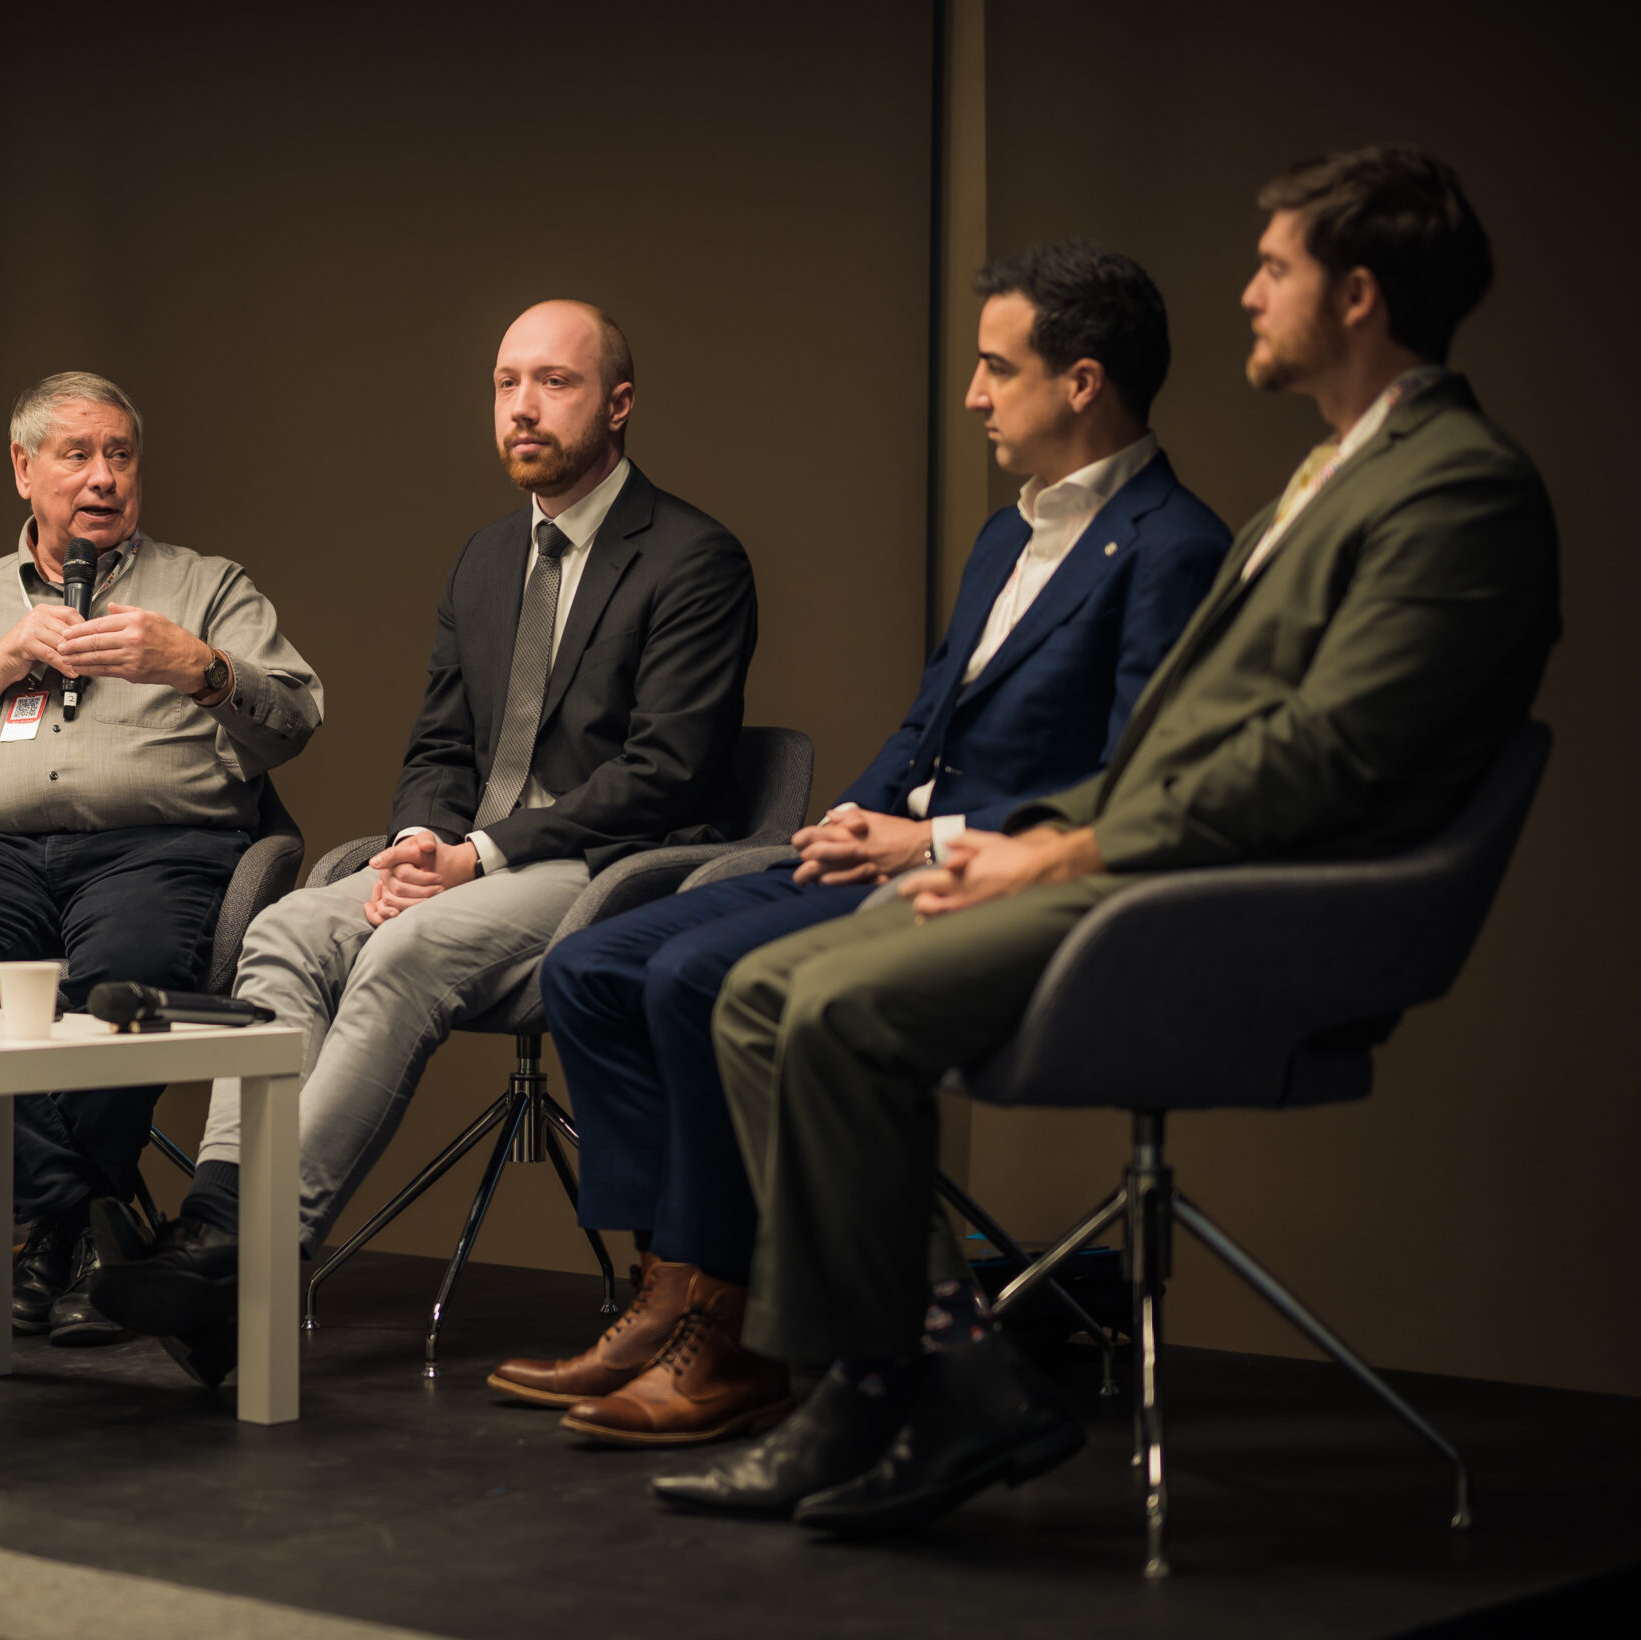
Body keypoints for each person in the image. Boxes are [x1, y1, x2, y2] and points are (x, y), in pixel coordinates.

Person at [655, 147, 1558, 1529]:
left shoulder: (1458, 488)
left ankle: (900, 1389)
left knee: (826, 1005)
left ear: (1359, 295)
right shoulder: (1332, 474)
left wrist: (1060, 853)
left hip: (1258, 902)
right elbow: (1168, 755)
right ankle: (921, 1383)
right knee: (763, 990)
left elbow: (1328, 759)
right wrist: (1024, 834)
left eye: (1275, 267)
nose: (1246, 292)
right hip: (1173, 864)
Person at [501, 244, 1231, 1448]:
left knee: (691, 974)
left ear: (1083, 382)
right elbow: (924, 721)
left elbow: (1132, 779)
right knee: (589, 965)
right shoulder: (1006, 535)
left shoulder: (1172, 543)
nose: (974, 394)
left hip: (992, 878)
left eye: (998, 367)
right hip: (893, 848)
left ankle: (728, 1337)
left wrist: (928, 835)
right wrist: (848, 815)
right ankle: (669, 1288)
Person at [90, 300, 760, 1384]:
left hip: (599, 870)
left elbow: (663, 775)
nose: (523, 406)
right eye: (506, 383)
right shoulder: (485, 560)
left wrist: (478, 857)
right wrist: (415, 840)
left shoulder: (693, 557)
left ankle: (240, 1260)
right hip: (464, 861)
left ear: (619, 404)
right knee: (287, 930)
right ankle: (216, 1224)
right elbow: (442, 743)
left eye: (555, 382)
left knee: (402, 951)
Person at [0, 371, 321, 1347]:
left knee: (120, 986)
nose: (104, 476)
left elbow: (295, 718)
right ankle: (89, 1213)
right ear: (24, 469)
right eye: (77, 455)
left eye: (121, 454)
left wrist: (197, 666)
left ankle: (47, 1233)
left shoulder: (207, 586)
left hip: (157, 849)